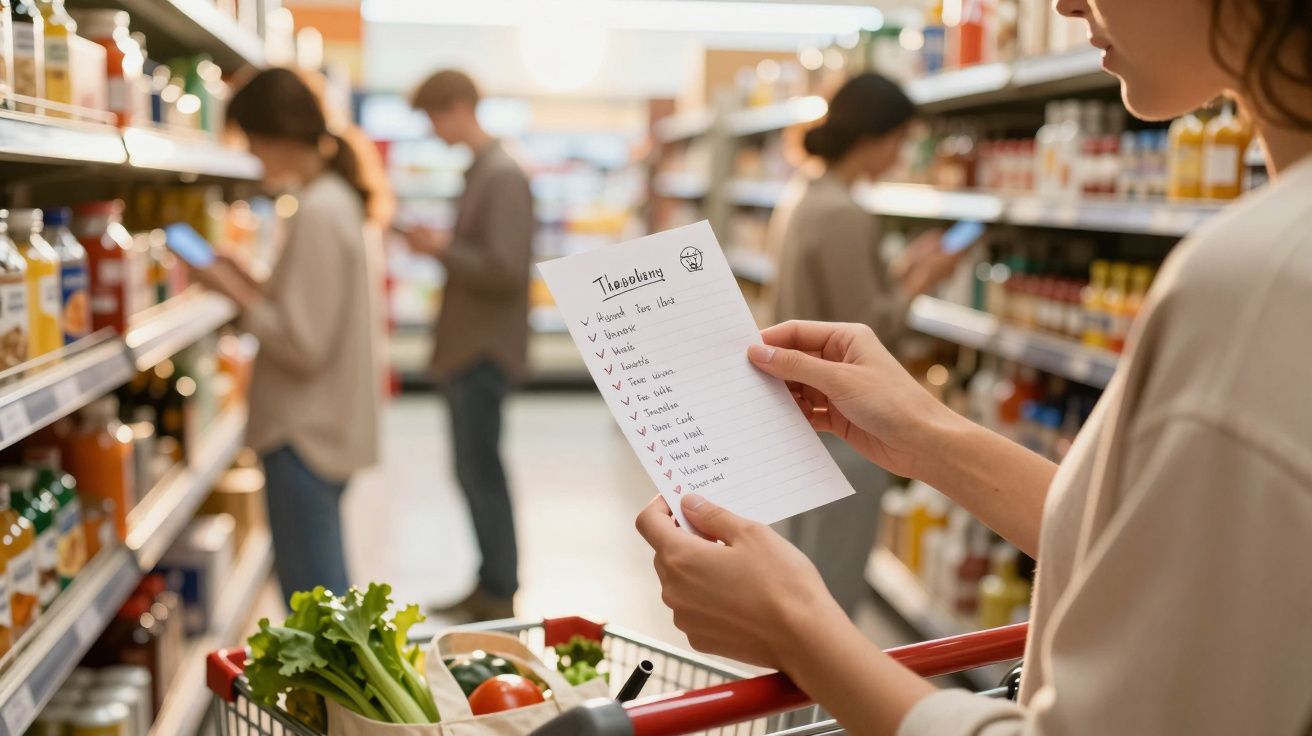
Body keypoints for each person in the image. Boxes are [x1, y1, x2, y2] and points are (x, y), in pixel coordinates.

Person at [637, 0, 1312, 731]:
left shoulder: (1261, 281)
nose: (1065, 4)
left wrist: (798, 630)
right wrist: (929, 433)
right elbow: (1180, 573)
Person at [766, 73, 962, 615]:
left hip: (801, 409)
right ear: (875, 137)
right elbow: (866, 333)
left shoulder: (804, 196)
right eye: (900, 140)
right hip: (843, 425)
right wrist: (924, 281)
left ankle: (792, 699)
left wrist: (899, 273)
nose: (901, 155)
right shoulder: (844, 213)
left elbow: (834, 301)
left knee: (799, 581)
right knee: (831, 594)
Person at [195, 68, 388, 601]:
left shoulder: (320, 211)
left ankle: (334, 691)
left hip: (304, 435)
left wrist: (232, 293)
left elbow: (302, 344)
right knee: (320, 598)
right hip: (322, 427)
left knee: (318, 608)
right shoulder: (332, 198)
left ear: (276, 135)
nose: (254, 156)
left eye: (253, 141)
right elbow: (314, 307)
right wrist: (253, 281)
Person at [401, 69, 534, 621]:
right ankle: (489, 581)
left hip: (483, 350)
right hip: (469, 346)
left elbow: (505, 268)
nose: (433, 130)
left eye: (434, 117)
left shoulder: (502, 175)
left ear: (458, 107)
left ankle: (500, 588)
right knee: (473, 469)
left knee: (481, 470)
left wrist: (440, 249)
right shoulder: (484, 170)